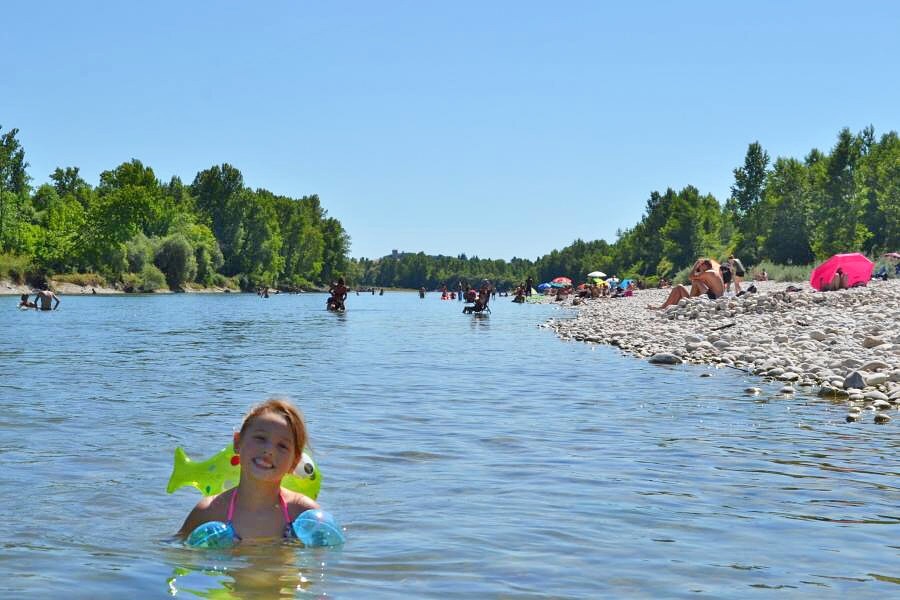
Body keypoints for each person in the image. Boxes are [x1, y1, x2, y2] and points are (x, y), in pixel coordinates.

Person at [178, 398, 320, 543]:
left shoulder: (304, 514)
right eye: (260, 438)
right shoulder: (209, 511)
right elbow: (179, 553)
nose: (269, 450)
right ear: (237, 442)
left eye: (282, 446)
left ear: (294, 463)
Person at [647, 259, 725, 309]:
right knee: (679, 288)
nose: (699, 267)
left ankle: (663, 307)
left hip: (714, 298)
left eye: (700, 265)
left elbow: (691, 277)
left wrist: (696, 264)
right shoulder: (712, 273)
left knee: (695, 281)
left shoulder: (709, 273)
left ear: (705, 265)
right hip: (714, 297)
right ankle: (665, 306)